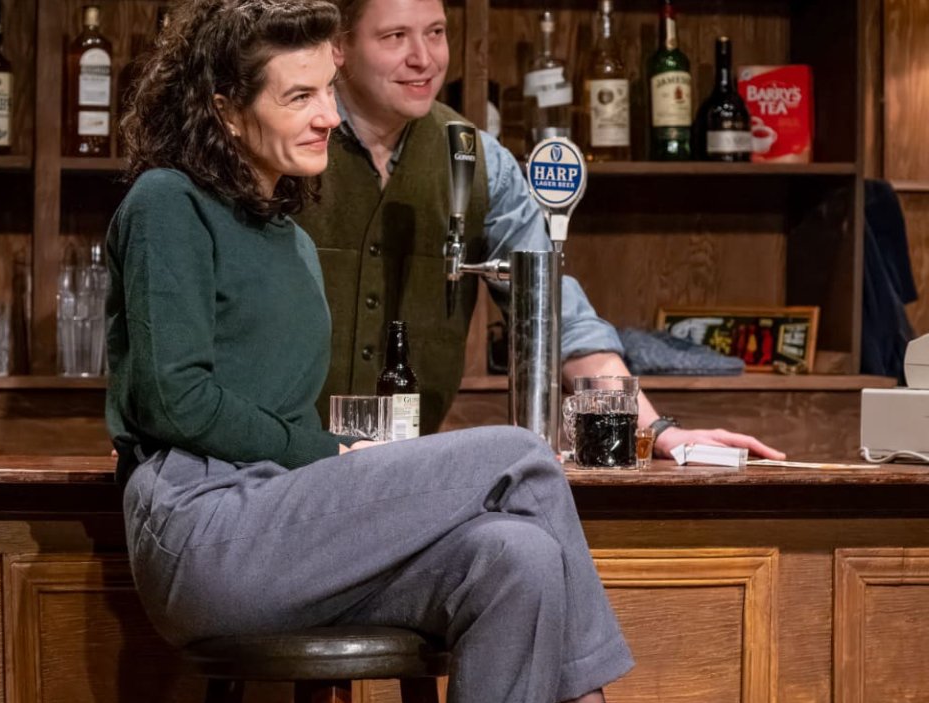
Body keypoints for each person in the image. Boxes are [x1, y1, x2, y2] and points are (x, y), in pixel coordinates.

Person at [107, 2, 744, 703]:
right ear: (225, 108)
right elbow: (170, 401)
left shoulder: (283, 225)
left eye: (324, 90)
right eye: (301, 95)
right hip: (202, 527)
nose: (325, 116)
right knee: (518, 462)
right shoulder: (165, 205)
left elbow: (551, 285)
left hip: (287, 517)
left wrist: (656, 424)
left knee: (515, 563)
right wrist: (331, 454)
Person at [294, 0, 786, 461]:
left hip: (409, 467)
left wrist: (656, 431)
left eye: (437, 33)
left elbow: (558, 314)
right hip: (279, 464)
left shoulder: (482, 160)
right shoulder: (286, 143)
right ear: (340, 46)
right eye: (395, 36)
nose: (423, 58)